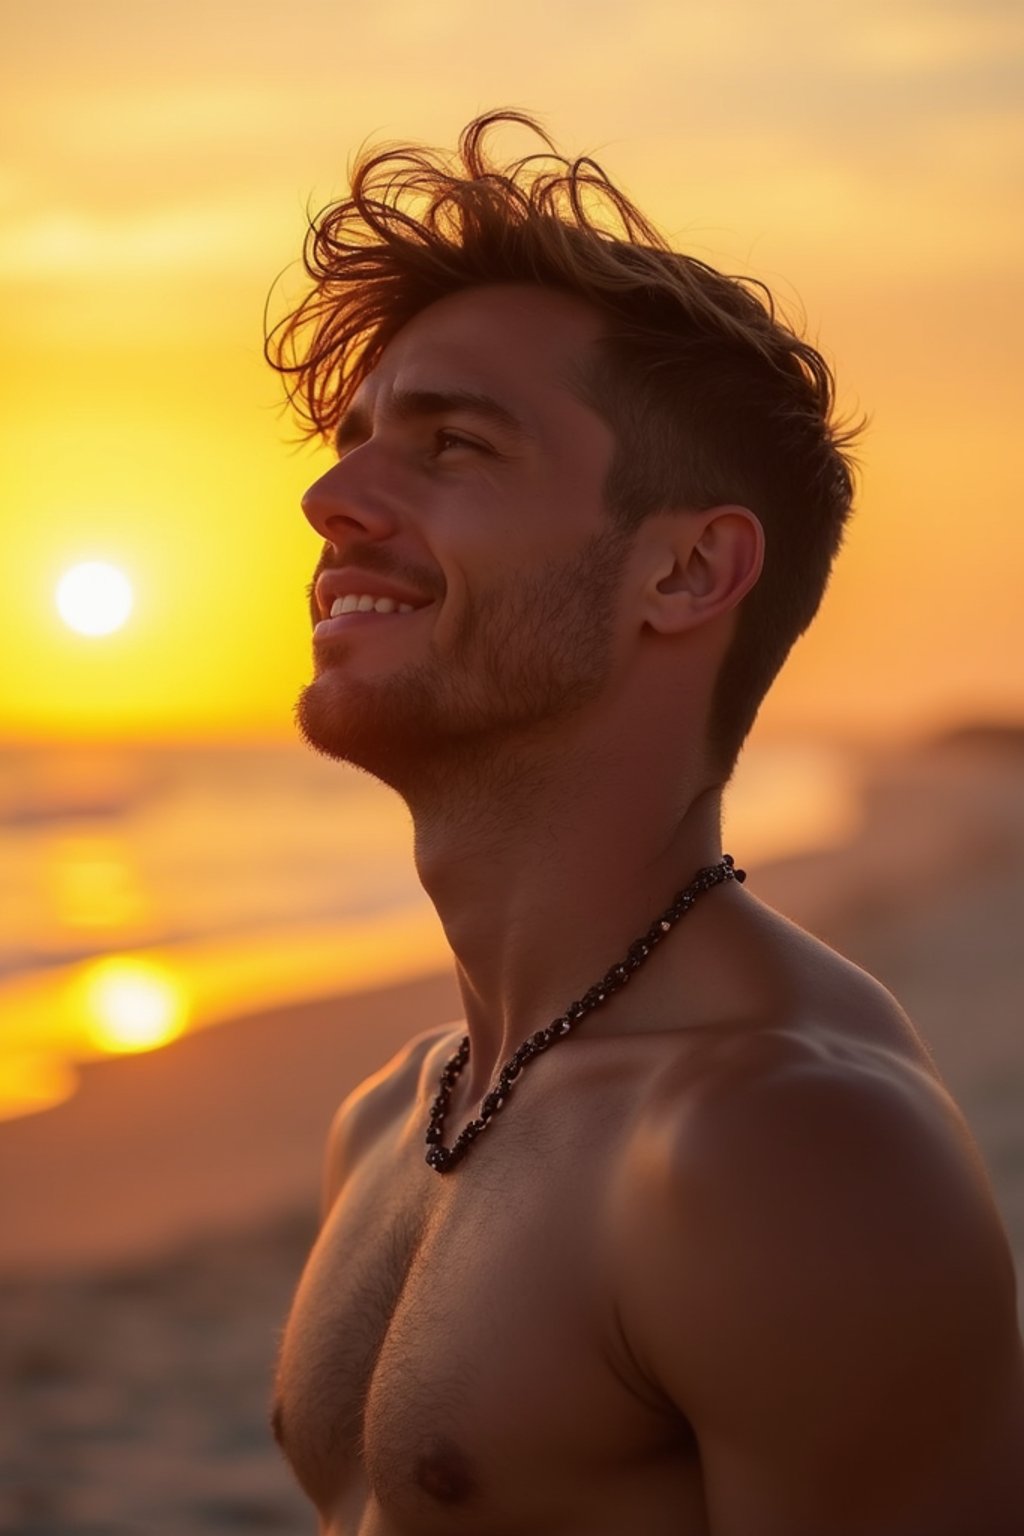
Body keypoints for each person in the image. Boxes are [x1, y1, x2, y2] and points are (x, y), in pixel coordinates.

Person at [263, 109, 1024, 1534]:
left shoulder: (790, 1154)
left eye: (454, 448)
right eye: (355, 442)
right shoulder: (397, 1113)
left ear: (683, 572)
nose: (329, 499)